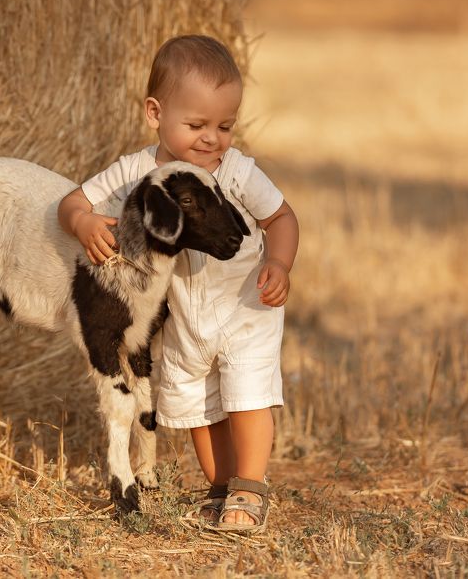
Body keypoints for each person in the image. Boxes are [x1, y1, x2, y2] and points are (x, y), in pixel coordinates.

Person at [57, 34, 299, 532]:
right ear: (155, 113)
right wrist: (82, 224)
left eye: (225, 126)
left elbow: (282, 217)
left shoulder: (237, 170)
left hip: (245, 305)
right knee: (198, 407)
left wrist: (280, 262)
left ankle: (250, 490)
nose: (212, 138)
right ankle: (221, 486)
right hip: (184, 315)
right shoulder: (137, 171)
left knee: (248, 396)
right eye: (196, 125)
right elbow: (72, 201)